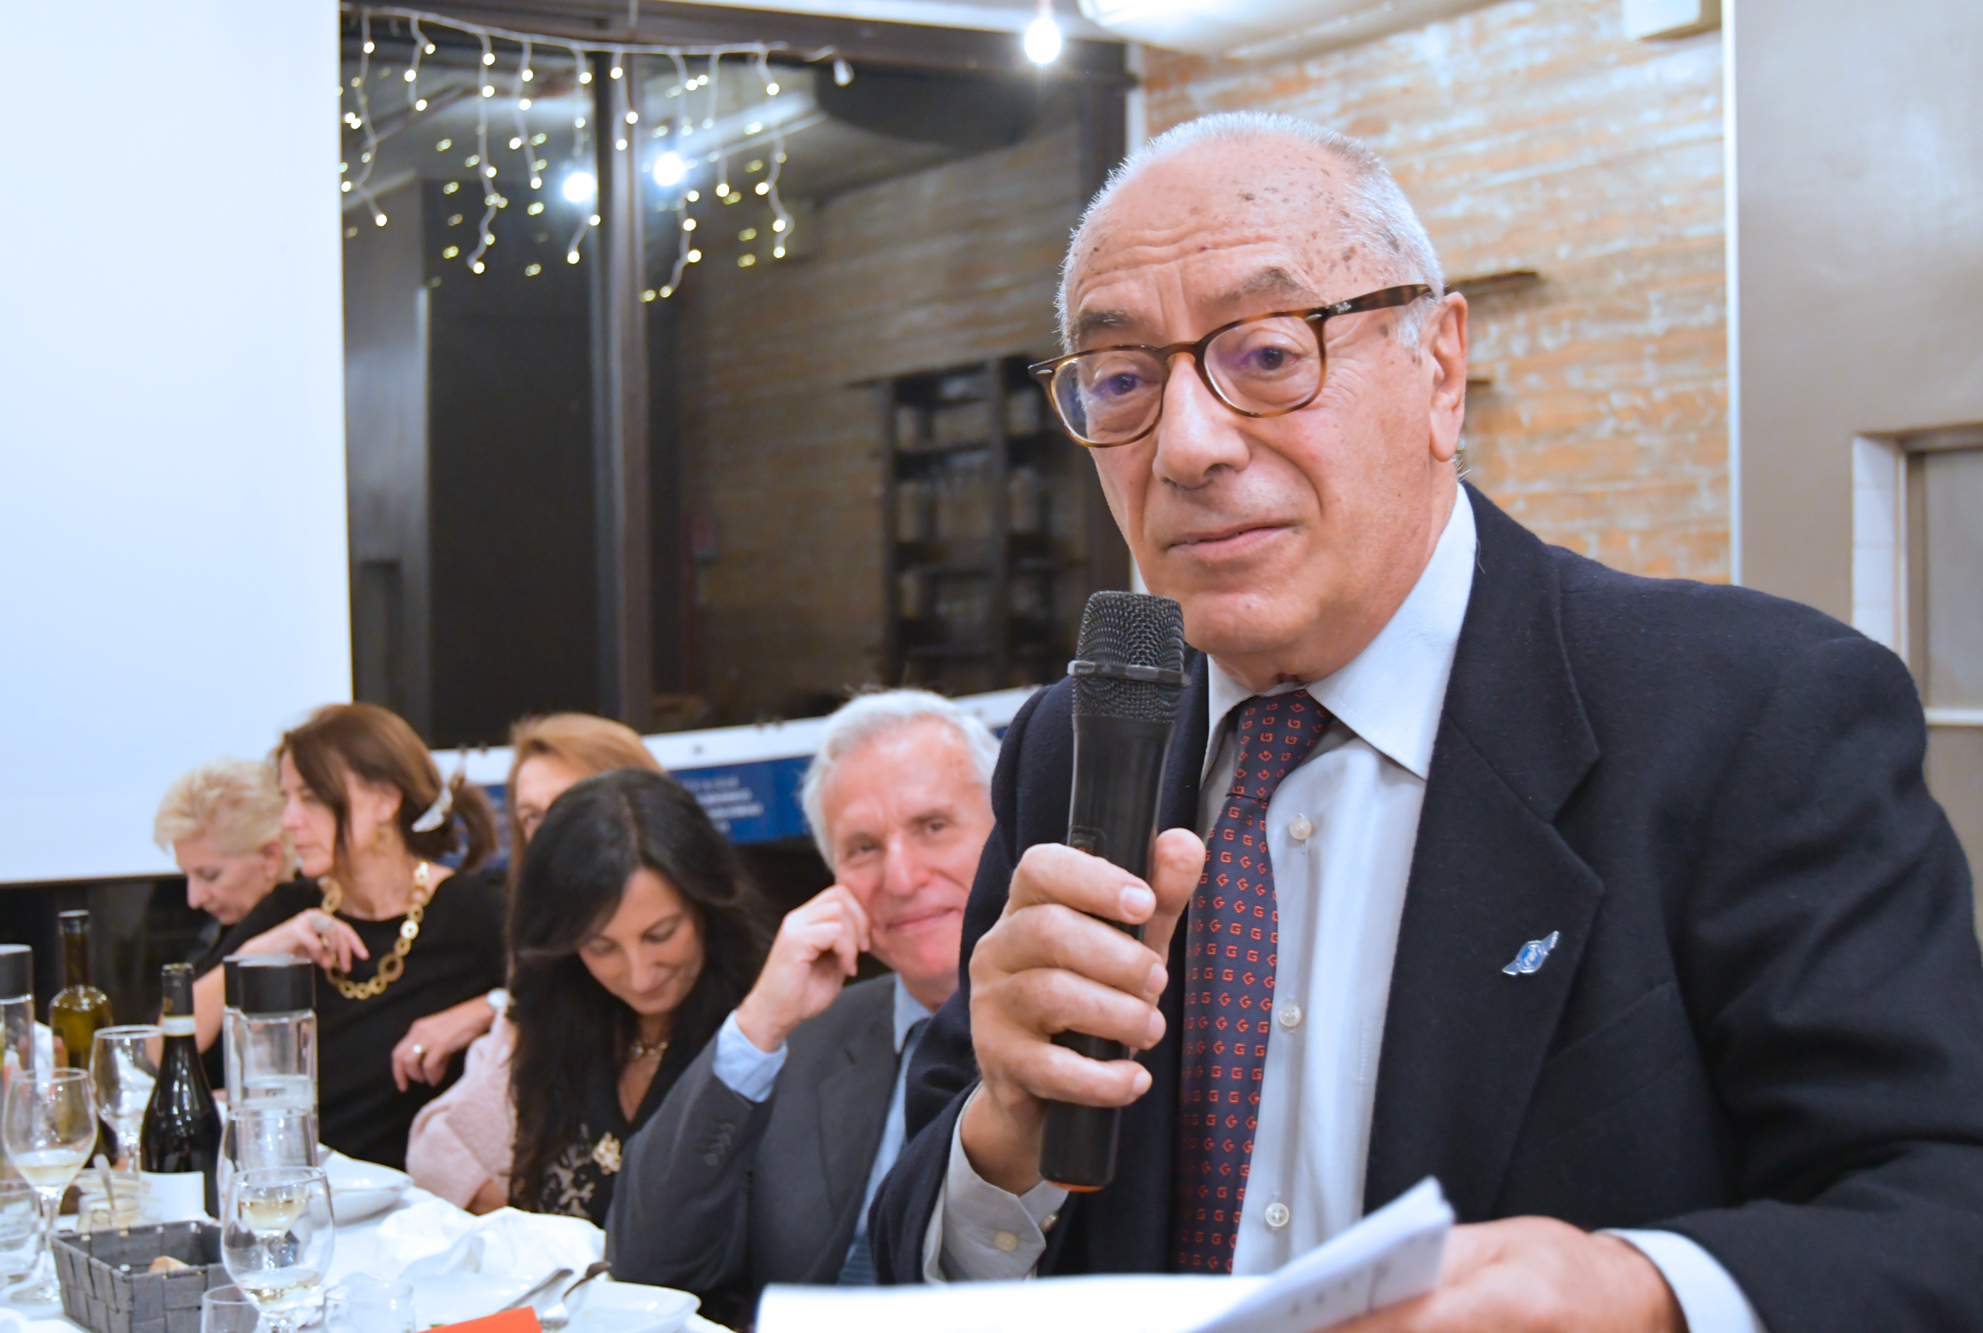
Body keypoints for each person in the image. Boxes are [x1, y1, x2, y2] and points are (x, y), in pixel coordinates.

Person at [869, 112, 1983, 1333]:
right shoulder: (1073, 742)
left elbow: (1938, 1211)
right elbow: (913, 1225)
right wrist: (1003, 1144)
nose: (1184, 447)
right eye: (1123, 380)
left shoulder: (1749, 713)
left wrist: (1646, 1290)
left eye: (1267, 352)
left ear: (1438, 369)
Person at [606, 692, 998, 1323]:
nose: (900, 878)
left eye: (933, 826)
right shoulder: (806, 1038)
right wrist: (758, 1024)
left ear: (1008, 830)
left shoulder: (1097, 1030)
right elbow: (648, 1264)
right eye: (863, 848)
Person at [411, 768, 764, 1224]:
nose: (640, 975)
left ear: (707, 904)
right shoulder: (559, 1010)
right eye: (602, 947)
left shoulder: (762, 1026)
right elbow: (436, 1143)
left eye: (661, 934)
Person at [210, 703, 503, 1169]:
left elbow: (553, 999)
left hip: (422, 1197)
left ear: (384, 801)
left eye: (310, 798)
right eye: (287, 799)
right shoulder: (289, 911)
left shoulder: (474, 912)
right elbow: (163, 1048)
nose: (289, 820)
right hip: (300, 1185)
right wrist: (255, 952)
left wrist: (484, 1009)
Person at [391, 713, 663, 1093]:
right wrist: (499, 1007)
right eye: (533, 817)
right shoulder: (538, 938)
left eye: (570, 806)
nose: (552, 833)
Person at [152, 758, 298, 976]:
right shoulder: (221, 928)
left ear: (270, 857)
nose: (194, 899)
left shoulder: (309, 931)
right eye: (187, 875)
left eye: (210, 875)